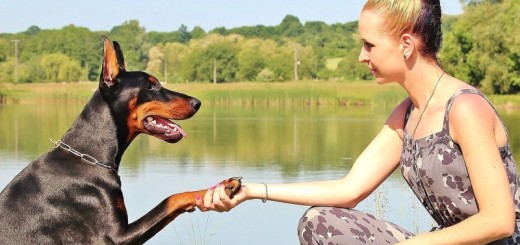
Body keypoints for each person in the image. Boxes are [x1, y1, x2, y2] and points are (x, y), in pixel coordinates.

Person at [196, 0, 520, 243]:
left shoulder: (464, 108)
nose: (362, 56)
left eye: (369, 45)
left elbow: (499, 221)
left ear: (406, 45)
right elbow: (348, 189)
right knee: (319, 222)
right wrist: (252, 191)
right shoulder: (407, 115)